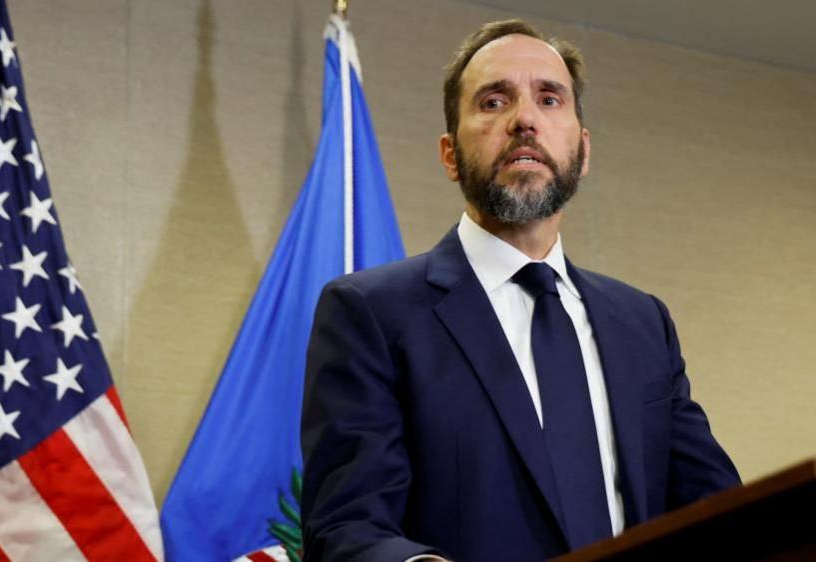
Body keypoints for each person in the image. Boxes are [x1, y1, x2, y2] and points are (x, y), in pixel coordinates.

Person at [300, 19, 740, 562]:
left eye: (549, 99)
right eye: (492, 102)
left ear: (582, 151)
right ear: (449, 154)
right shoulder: (371, 313)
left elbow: (722, 513)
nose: (524, 120)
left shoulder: (644, 324)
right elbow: (348, 527)